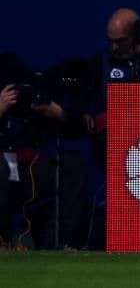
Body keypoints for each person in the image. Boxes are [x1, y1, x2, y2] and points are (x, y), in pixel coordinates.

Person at [1, 52, 92, 249]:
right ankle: (3, 241)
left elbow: (80, 129)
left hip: (27, 172)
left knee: (73, 163)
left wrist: (61, 115)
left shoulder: (31, 103)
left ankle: (63, 242)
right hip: (3, 171)